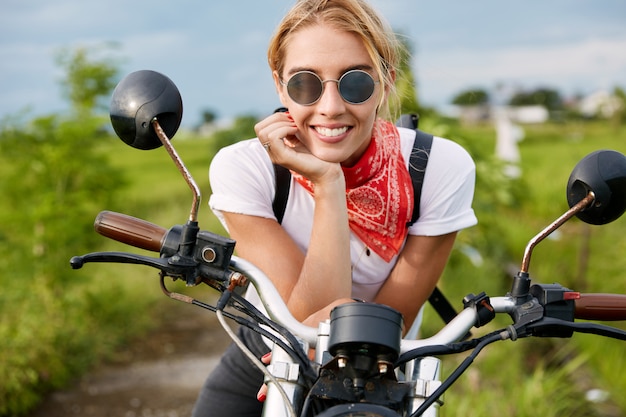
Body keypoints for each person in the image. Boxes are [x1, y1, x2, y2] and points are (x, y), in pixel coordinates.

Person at [192, 0, 477, 415]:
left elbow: (377, 325)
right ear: (279, 85)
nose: (330, 107)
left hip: (382, 369)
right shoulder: (246, 168)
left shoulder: (436, 169)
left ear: (386, 81)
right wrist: (330, 183)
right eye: (305, 84)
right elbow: (307, 323)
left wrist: (327, 179)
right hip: (266, 358)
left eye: (355, 82)